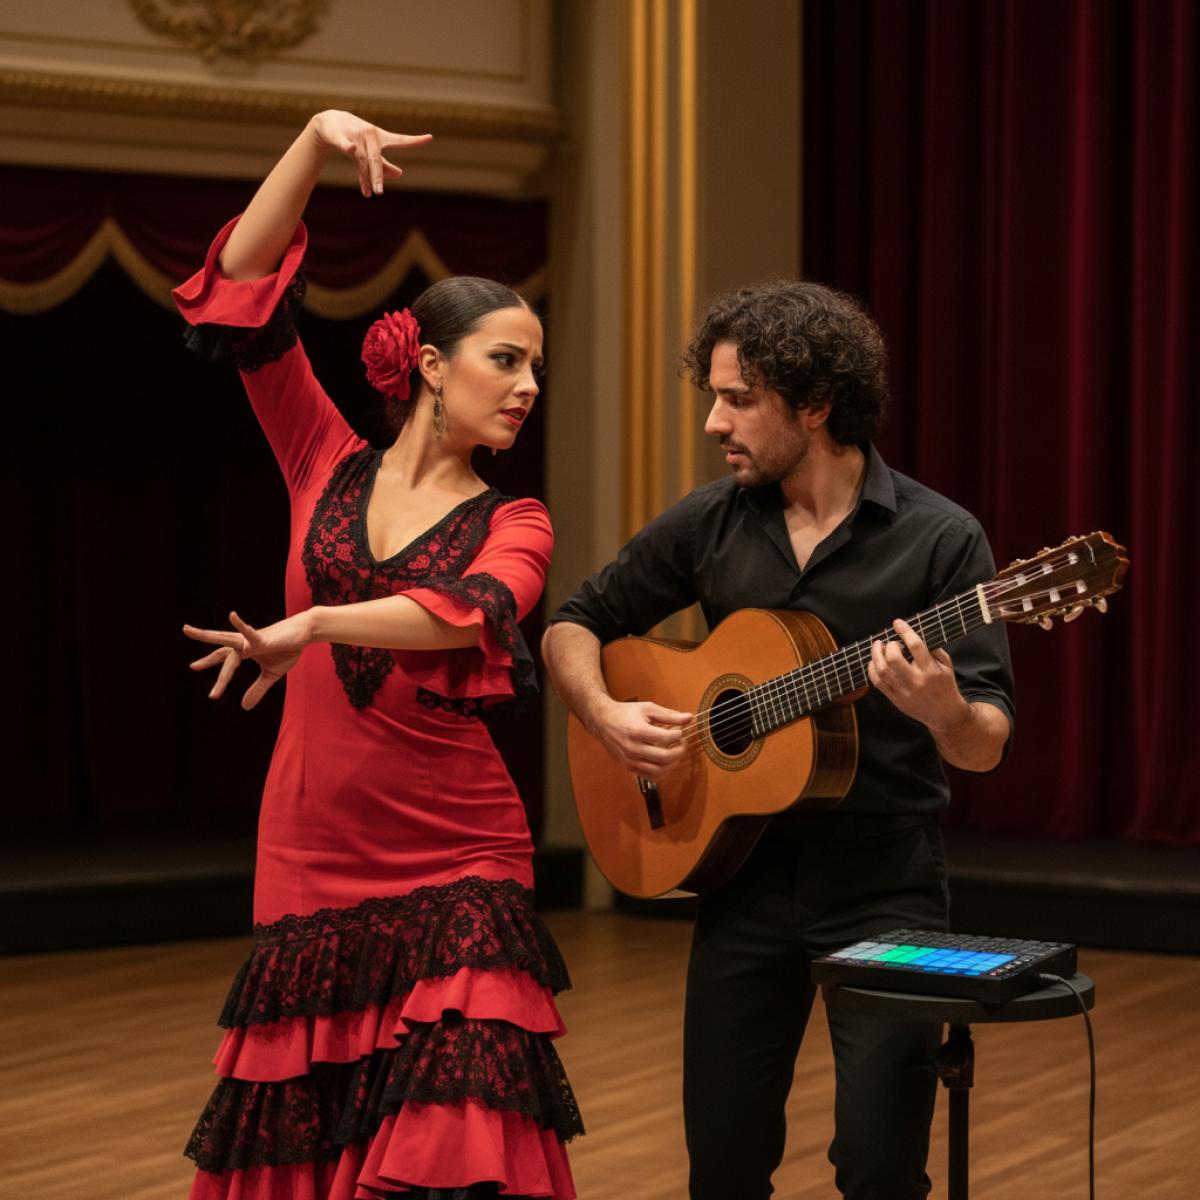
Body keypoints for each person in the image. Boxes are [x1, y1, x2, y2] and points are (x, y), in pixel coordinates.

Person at [175, 110, 580, 1200]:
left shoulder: (521, 518)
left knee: (449, 1134)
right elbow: (242, 281)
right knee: (311, 1129)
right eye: (508, 360)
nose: (529, 384)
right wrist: (310, 144)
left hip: (461, 843)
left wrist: (311, 626)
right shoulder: (321, 453)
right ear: (435, 365)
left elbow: (463, 614)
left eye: (538, 366)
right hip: (311, 839)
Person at [541, 280, 1014, 1200]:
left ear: (815, 404)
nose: (716, 422)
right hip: (739, 877)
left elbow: (984, 742)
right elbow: (576, 620)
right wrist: (604, 712)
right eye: (713, 395)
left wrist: (945, 712)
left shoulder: (940, 541)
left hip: (885, 886)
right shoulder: (711, 520)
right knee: (722, 1166)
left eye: (739, 399)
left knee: (880, 1166)